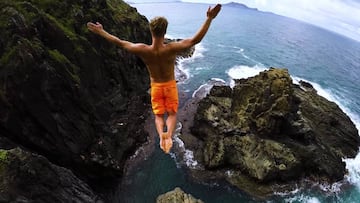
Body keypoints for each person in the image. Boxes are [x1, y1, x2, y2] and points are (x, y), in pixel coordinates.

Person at [87, 4, 222, 154]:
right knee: (171, 114)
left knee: (158, 115)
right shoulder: (171, 48)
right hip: (170, 86)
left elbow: (119, 42)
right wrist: (209, 18)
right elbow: (194, 40)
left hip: (156, 87)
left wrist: (101, 31)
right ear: (165, 32)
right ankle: (169, 135)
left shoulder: (142, 49)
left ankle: (161, 136)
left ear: (151, 31)